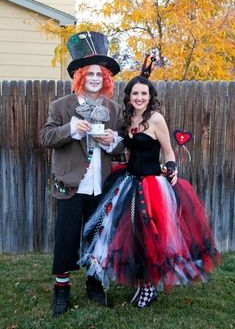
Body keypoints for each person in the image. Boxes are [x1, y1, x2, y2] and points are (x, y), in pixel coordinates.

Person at [80, 74, 221, 309]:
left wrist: (172, 168)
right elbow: (126, 151)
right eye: (135, 93)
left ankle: (148, 287)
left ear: (150, 96)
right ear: (129, 96)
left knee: (150, 237)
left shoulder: (156, 119)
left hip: (152, 185)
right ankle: (140, 284)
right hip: (128, 182)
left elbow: (168, 152)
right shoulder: (127, 120)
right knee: (130, 237)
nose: (139, 97)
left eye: (144, 93)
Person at [40, 31, 123, 317]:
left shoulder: (112, 109)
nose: (95, 79)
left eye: (100, 75)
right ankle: (61, 291)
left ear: (106, 79)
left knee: (98, 238)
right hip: (70, 184)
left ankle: (94, 284)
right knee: (65, 240)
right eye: (90, 74)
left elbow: (121, 147)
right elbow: (46, 137)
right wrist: (71, 130)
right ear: (80, 76)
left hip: (100, 186)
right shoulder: (61, 106)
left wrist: (112, 141)